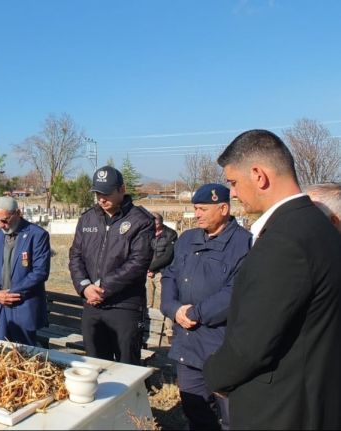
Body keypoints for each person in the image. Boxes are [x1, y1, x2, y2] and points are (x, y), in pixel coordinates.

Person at [203, 129, 341, 429]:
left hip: (281, 409)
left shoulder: (284, 240)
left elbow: (251, 345)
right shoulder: (317, 225)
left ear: (259, 175)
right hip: (313, 397)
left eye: (234, 182)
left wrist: (213, 374)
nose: (234, 193)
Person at [160, 184, 251, 430]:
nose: (196, 214)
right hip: (188, 345)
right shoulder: (188, 239)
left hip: (221, 347)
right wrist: (172, 308)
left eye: (202, 209)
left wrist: (195, 313)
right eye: (195, 209)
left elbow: (235, 292)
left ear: (223, 208)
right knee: (195, 410)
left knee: (232, 417)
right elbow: (170, 275)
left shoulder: (243, 244)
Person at [68, 165, 154, 365]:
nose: (101, 198)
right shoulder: (87, 218)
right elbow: (76, 256)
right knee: (96, 365)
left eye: (106, 193)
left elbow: (138, 263)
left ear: (122, 190)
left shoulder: (140, 221)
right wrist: (84, 286)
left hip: (124, 305)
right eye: (97, 193)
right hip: (92, 303)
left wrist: (102, 286)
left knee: (126, 366)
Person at [0, 196, 51, 346]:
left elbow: (40, 272)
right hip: (0, 307)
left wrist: (11, 293)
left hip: (23, 306)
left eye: (5, 220)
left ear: (18, 213)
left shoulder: (37, 235)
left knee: (25, 356)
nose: (1, 225)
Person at [146, 212, 178, 308]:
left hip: (162, 272)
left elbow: (168, 256)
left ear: (161, 222)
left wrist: (151, 268)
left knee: (160, 300)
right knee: (147, 300)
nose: (154, 226)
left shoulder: (171, 234)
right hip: (147, 272)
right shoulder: (147, 233)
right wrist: (146, 268)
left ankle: (161, 321)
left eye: (156, 224)